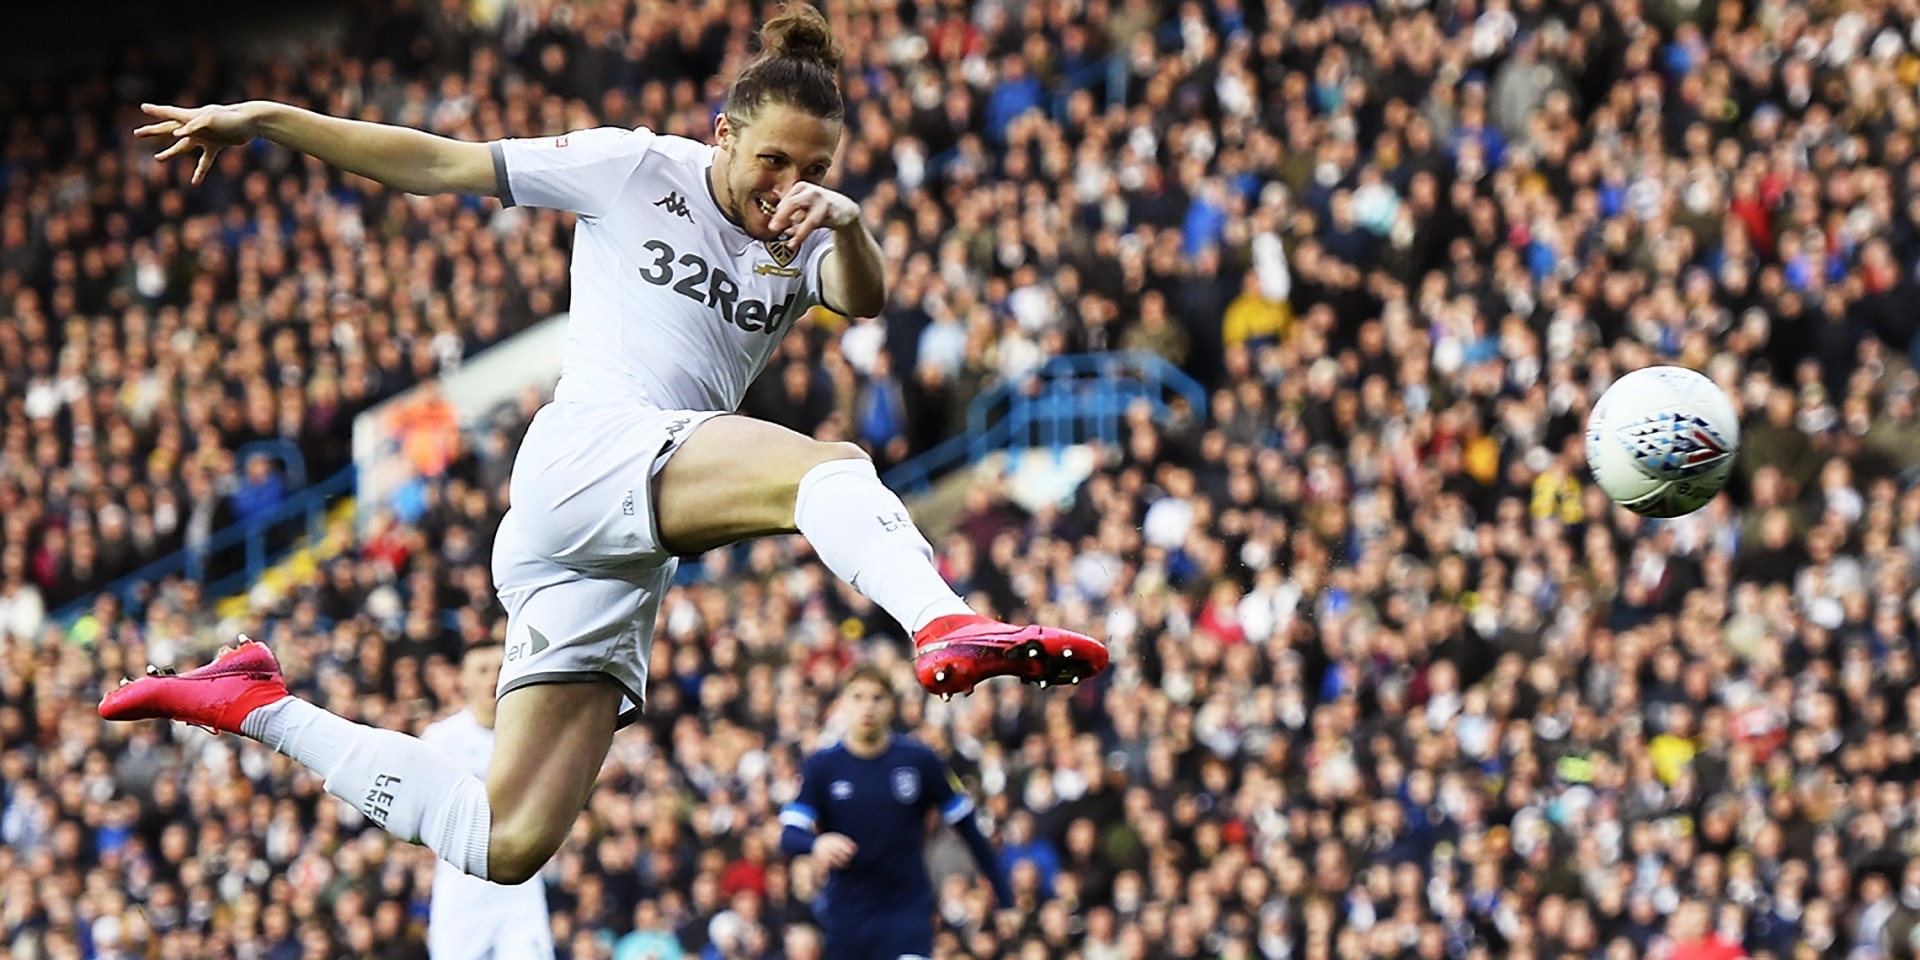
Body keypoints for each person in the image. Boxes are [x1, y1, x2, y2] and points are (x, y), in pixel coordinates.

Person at [99, 3, 1106, 891]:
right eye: (774, 161)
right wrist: (269, 122)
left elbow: (867, 296)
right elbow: (438, 162)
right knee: (834, 469)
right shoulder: (634, 166)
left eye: (817, 170)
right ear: (723, 135)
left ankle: (255, 704)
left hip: (619, 542)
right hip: (588, 455)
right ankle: (941, 622)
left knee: (504, 840)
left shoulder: (809, 242)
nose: (788, 184)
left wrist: (843, 218)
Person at [779, 666, 1012, 960]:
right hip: (848, 915)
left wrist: (1005, 899)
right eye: (858, 697)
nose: (868, 707)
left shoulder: (919, 761)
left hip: (907, 910)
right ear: (843, 704)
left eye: (877, 698)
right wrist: (816, 844)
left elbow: (970, 830)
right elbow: (788, 835)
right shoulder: (822, 767)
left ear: (891, 704)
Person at [418, 642, 555, 960]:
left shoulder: (534, 737)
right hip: (461, 891)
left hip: (520, 890)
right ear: (462, 680)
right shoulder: (440, 740)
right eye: (482, 670)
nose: (492, 678)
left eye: (499, 668)